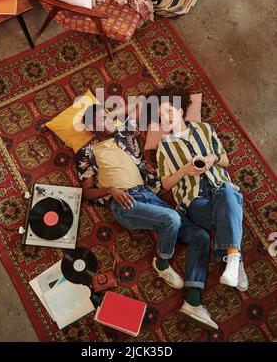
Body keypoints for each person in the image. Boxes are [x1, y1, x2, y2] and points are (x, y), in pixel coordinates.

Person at [75, 103, 219, 330]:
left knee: (201, 236)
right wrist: (110, 190)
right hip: (124, 202)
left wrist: (114, 115)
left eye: (108, 116)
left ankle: (193, 301)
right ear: (91, 126)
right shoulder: (86, 151)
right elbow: (86, 191)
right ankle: (161, 263)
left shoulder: (124, 133)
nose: (109, 121)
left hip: (148, 195)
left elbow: (141, 108)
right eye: (102, 119)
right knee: (171, 218)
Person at [155, 86, 249, 294]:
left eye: (169, 111)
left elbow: (224, 160)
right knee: (230, 207)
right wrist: (184, 170)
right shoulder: (164, 147)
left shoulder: (205, 129)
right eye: (161, 116)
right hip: (195, 201)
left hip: (220, 188)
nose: (166, 118)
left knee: (226, 193)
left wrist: (211, 159)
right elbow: (166, 184)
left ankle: (232, 259)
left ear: (180, 110)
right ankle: (236, 258)